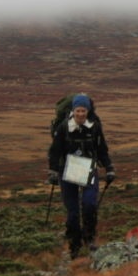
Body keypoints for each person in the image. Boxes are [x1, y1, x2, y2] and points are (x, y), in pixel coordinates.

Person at [47, 93, 116, 259]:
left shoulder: (95, 127)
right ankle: (74, 246)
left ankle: (90, 239)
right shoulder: (63, 127)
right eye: (78, 110)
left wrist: (109, 168)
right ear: (73, 110)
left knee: (89, 205)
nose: (80, 114)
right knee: (72, 213)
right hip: (67, 171)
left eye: (83, 111)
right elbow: (55, 151)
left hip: (88, 169)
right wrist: (53, 172)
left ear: (88, 110)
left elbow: (102, 149)